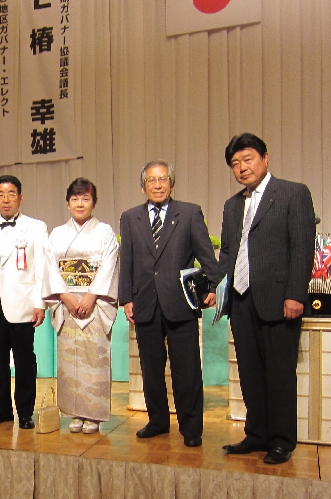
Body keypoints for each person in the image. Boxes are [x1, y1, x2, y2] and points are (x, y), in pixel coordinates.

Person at [219, 133, 315, 465]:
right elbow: (228, 253)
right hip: (241, 300)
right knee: (250, 372)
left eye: (247, 159)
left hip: (279, 299)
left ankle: (281, 440)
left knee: (279, 373)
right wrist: (219, 290)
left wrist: (295, 294)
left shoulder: (292, 193)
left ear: (265, 158)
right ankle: (256, 434)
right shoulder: (232, 205)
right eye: (235, 164)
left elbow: (302, 247)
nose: (242, 168)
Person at [118, 160, 220, 447]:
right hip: (145, 303)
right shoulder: (130, 217)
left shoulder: (189, 213)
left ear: (172, 184)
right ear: (143, 187)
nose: (158, 184)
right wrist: (127, 298)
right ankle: (157, 421)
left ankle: (191, 428)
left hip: (181, 303)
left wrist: (213, 286)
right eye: (152, 180)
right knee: (151, 369)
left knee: (187, 370)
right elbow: (127, 261)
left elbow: (207, 256)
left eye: (163, 179)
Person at [0, 175, 48, 430]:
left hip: (23, 306)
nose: (6, 200)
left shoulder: (36, 227)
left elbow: (42, 269)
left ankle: (25, 412)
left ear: (20, 198)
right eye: (1, 195)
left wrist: (40, 303)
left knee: (25, 362)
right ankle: (1, 410)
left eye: (11, 194)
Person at [43, 178, 119, 434]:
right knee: (70, 360)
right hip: (67, 305)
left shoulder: (105, 232)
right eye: (75, 199)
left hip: (94, 305)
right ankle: (74, 412)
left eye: (86, 198)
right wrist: (65, 297)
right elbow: (50, 268)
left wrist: (91, 297)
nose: (80, 203)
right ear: (67, 203)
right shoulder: (57, 234)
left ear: (94, 203)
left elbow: (109, 265)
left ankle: (93, 414)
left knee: (93, 359)